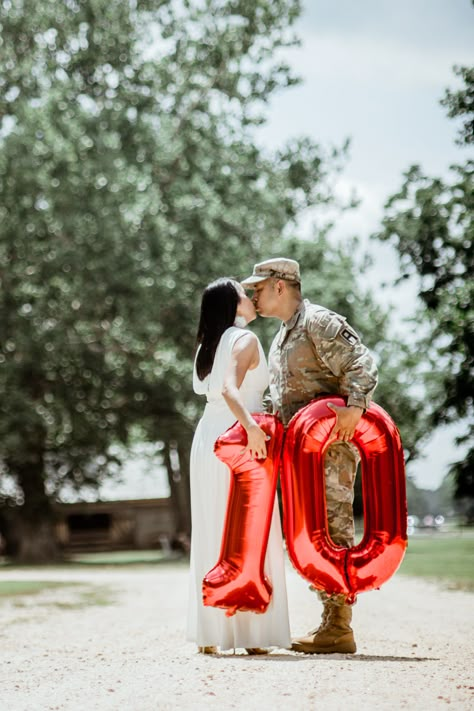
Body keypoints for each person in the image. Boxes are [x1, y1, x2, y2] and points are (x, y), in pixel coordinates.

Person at [241, 258, 378, 654]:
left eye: (259, 288)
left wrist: (356, 405)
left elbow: (361, 362)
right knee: (307, 535)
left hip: (331, 447)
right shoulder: (282, 336)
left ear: (280, 286)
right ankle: (329, 620)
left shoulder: (318, 322)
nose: (254, 295)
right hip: (298, 454)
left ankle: (338, 624)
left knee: (333, 530)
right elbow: (279, 396)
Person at [186, 277, 291, 655]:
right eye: (244, 295)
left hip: (206, 438)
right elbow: (231, 389)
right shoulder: (244, 339)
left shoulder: (205, 348)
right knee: (252, 528)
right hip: (238, 436)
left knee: (214, 527)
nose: (251, 299)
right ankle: (252, 633)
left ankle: (213, 632)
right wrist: (252, 429)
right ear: (233, 304)